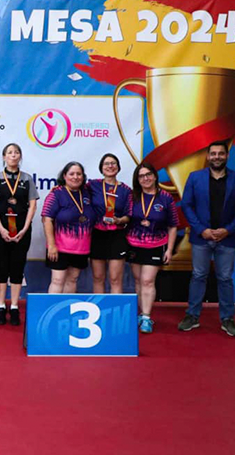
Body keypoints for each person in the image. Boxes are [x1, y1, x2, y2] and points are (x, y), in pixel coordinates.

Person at [178, 141, 235, 336]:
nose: (217, 157)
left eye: (221, 153)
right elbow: (186, 205)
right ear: (208, 156)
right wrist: (201, 229)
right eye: (213, 154)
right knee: (198, 276)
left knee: (225, 278)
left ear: (227, 156)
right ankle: (192, 316)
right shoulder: (195, 178)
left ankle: (227, 318)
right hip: (201, 238)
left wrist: (228, 230)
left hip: (227, 238)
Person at [0, 143, 39, 325]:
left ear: (20, 156)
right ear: (4, 157)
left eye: (16, 152)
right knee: (1, 267)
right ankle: (1, 306)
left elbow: (32, 204)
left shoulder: (27, 179)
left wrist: (24, 228)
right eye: (10, 152)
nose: (13, 155)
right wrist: (1, 228)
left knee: (17, 267)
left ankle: (15, 306)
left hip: (21, 229)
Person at [127, 162, 178, 334]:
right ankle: (141, 314)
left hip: (156, 245)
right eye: (141, 176)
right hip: (134, 244)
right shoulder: (132, 197)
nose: (145, 178)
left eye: (148, 174)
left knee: (147, 280)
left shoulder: (166, 197)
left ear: (155, 176)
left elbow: (172, 226)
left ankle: (147, 316)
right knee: (137, 281)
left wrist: (169, 250)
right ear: (137, 179)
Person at [42, 161, 96, 293]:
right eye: (72, 174)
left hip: (81, 248)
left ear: (83, 177)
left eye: (79, 174)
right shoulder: (56, 194)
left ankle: (67, 311)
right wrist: (52, 245)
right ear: (64, 176)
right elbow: (46, 219)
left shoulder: (87, 193)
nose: (75, 177)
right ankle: (52, 312)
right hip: (59, 248)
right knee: (57, 280)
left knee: (72, 280)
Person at [87, 153, 133, 294]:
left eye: (113, 163)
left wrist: (119, 220)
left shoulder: (126, 190)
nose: (110, 166)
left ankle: (115, 314)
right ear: (101, 168)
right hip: (97, 234)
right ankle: (99, 312)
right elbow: (74, 190)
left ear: (118, 168)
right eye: (106, 163)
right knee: (98, 277)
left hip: (117, 235)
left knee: (115, 279)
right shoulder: (92, 185)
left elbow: (129, 216)